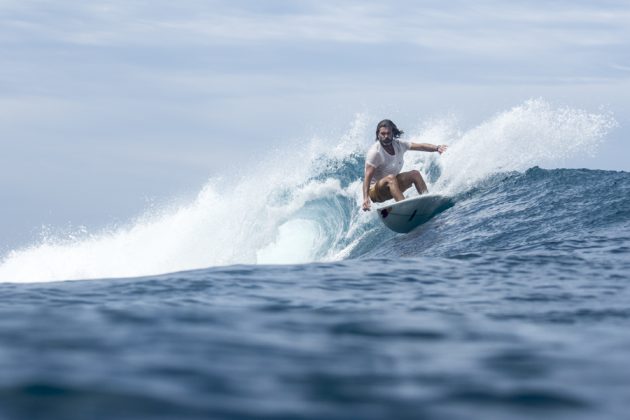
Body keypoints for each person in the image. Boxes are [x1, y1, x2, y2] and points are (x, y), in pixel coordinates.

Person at [362, 119, 447, 211]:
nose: (386, 136)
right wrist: (365, 198)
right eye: (383, 134)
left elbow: (420, 146)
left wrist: (437, 148)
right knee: (390, 178)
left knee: (415, 174)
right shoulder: (375, 153)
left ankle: (427, 203)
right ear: (378, 134)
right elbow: (367, 178)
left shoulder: (399, 144)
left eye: (388, 133)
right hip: (375, 192)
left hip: (392, 186)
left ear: (393, 133)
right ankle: (406, 209)